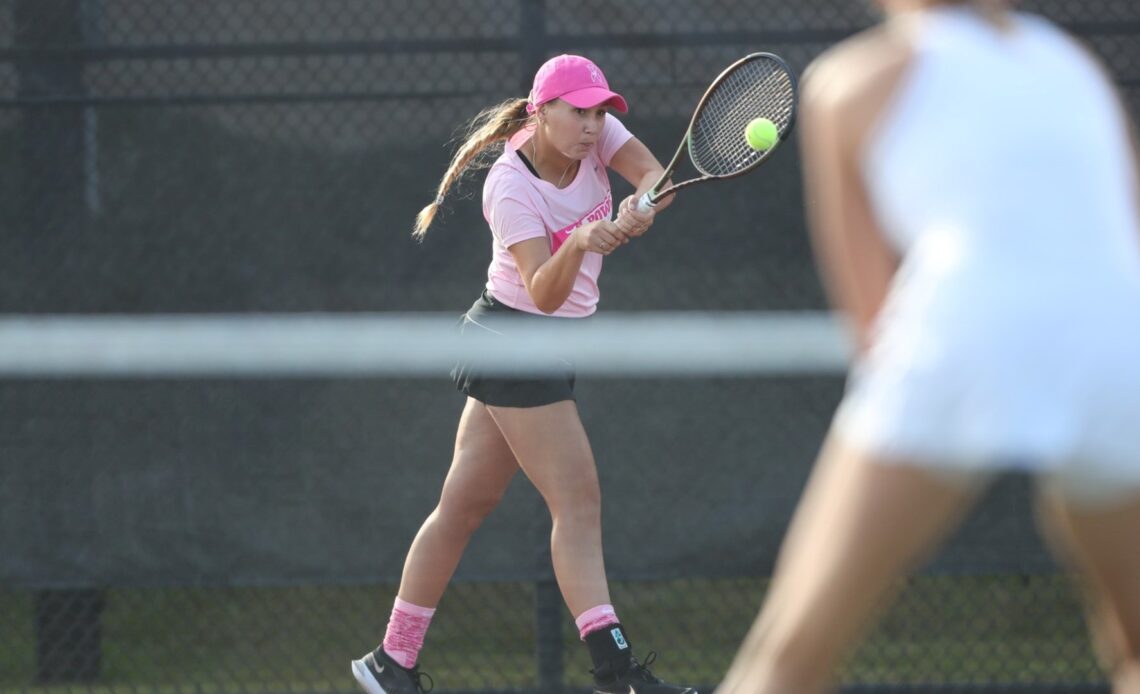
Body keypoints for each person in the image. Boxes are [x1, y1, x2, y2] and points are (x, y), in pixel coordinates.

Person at [715, 1, 1140, 692]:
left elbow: (872, 324)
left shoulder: (849, 83)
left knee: (789, 658)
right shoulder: (1075, 68)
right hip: (1123, 350)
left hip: (962, 337)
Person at [350, 54, 696, 694]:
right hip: (512, 339)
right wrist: (584, 242)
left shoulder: (600, 138)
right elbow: (541, 291)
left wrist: (646, 204)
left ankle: (389, 663)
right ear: (542, 112)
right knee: (578, 499)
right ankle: (616, 674)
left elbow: (654, 175)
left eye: (600, 112)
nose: (593, 127)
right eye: (578, 112)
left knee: (462, 507)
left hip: (540, 344)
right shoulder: (508, 186)